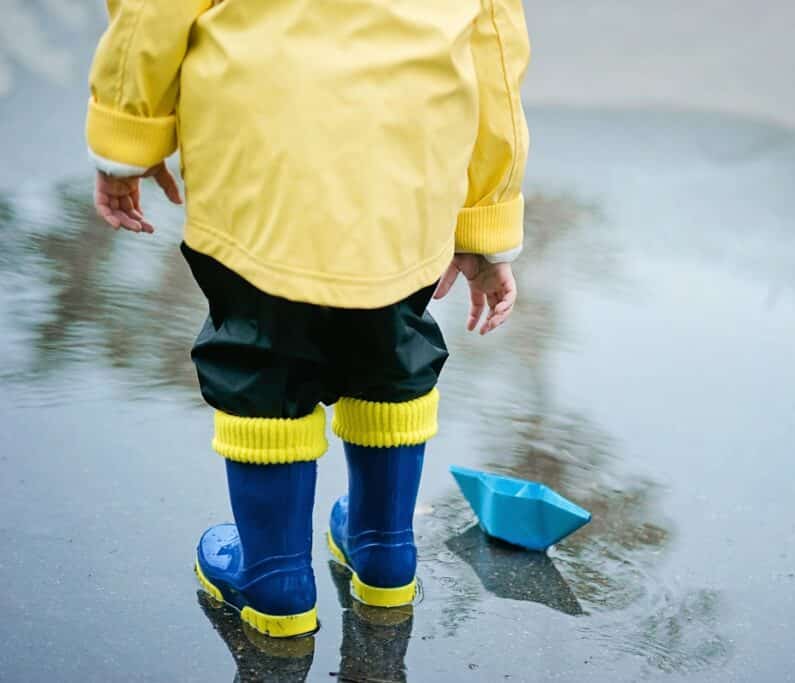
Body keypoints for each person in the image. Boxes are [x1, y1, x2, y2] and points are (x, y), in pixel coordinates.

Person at [86, 0, 529, 638]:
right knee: (392, 346)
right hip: (407, 164)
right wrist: (484, 218)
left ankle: (275, 580)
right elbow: (493, 48)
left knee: (260, 352)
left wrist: (129, 132)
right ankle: (384, 555)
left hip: (258, 160)